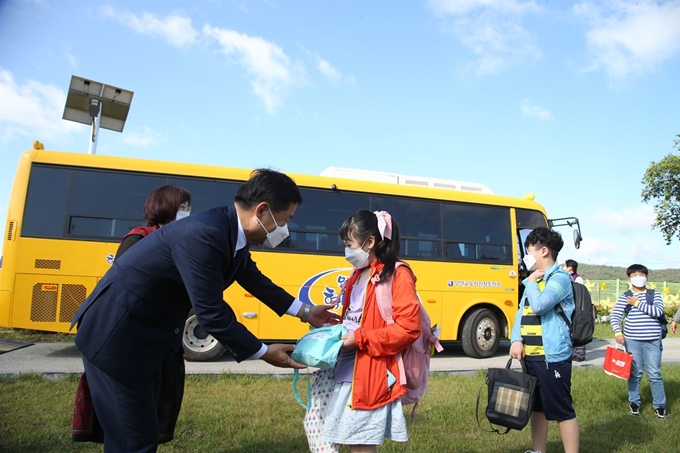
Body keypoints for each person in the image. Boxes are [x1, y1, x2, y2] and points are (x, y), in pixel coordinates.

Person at [70, 168, 340, 453]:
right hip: (118, 338)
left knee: (138, 432)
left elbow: (256, 281)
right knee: (133, 439)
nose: (283, 231)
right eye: (283, 221)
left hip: (145, 339)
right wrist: (262, 351)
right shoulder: (205, 234)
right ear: (262, 210)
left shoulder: (228, 232)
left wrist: (306, 312)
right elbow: (211, 313)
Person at [73, 185, 192, 445]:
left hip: (159, 341)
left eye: (188, 207)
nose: (188, 212)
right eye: (183, 207)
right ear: (166, 208)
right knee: (132, 429)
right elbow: (128, 293)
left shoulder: (179, 240)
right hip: (132, 342)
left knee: (149, 416)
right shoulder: (138, 239)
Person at [321, 210, 421, 453]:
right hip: (348, 370)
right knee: (351, 441)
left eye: (349, 244)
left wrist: (360, 339)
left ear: (370, 242)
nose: (346, 252)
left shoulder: (398, 274)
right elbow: (355, 320)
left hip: (371, 374)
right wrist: (332, 328)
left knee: (360, 445)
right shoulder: (357, 274)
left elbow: (409, 328)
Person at [510, 227, 579, 453]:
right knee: (537, 407)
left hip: (553, 357)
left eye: (529, 251)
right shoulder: (535, 280)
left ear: (544, 251)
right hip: (532, 356)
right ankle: (538, 450)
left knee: (561, 410)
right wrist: (516, 340)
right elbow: (521, 313)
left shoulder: (559, 279)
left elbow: (540, 305)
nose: (526, 257)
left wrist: (529, 282)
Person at [609, 264, 667, 419]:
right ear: (629, 278)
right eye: (635, 274)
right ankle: (634, 404)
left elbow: (658, 311)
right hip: (632, 340)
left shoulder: (654, 295)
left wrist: (636, 303)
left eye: (642, 274)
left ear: (647, 277)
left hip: (653, 339)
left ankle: (660, 407)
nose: (639, 277)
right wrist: (617, 331)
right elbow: (615, 316)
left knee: (654, 373)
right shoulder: (625, 296)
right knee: (635, 373)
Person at [564, 259, 586, 362]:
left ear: (570, 268)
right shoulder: (568, 277)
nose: (563, 268)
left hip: (577, 308)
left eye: (565, 266)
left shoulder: (578, 279)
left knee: (578, 330)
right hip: (570, 307)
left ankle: (579, 355)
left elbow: (579, 295)